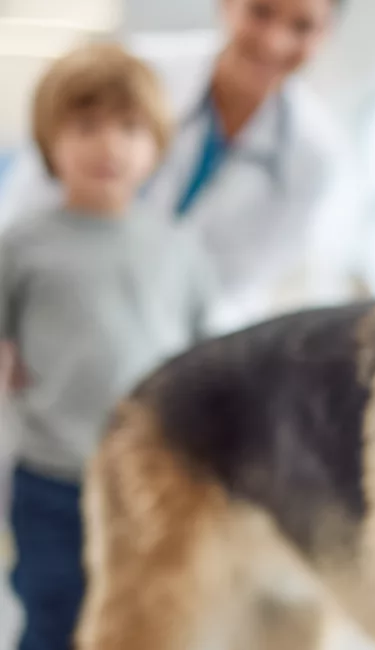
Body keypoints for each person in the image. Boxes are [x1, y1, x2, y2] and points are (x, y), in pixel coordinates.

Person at [0, 42, 216, 650]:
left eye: (128, 128)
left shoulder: (180, 248)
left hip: (152, 475)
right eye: (86, 126)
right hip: (52, 478)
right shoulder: (20, 245)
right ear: (50, 141)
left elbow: (206, 363)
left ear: (156, 144)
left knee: (147, 617)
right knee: (54, 615)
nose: (108, 145)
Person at [0, 0, 366, 335]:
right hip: (59, 308)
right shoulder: (136, 73)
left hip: (178, 341)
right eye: (260, 12)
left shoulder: (314, 158)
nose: (275, 42)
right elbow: (35, 193)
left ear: (326, 33)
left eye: (302, 27)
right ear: (227, 5)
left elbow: (239, 288)